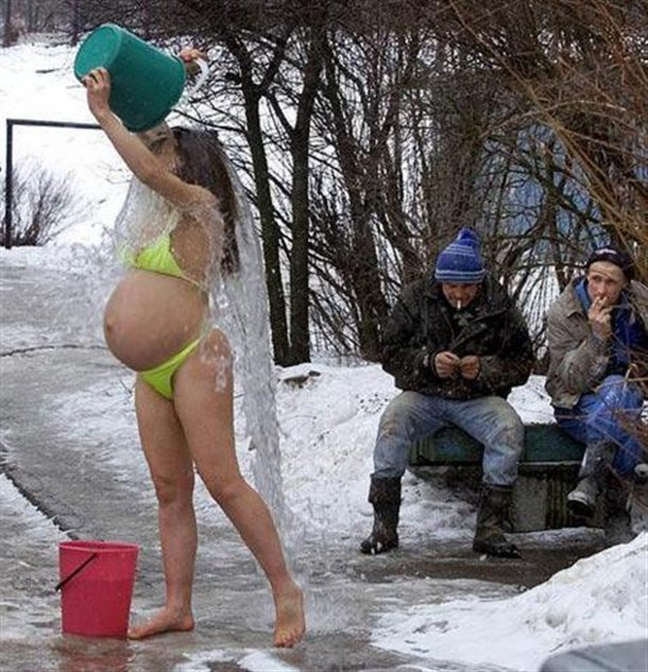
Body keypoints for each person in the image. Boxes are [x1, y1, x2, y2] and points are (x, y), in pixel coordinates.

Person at [82, 51, 305, 646]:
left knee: (222, 481)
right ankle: (178, 605)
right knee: (169, 490)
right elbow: (145, 136)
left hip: (195, 358)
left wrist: (103, 116)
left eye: (167, 149)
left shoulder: (200, 206)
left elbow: (149, 168)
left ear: (190, 165)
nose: (155, 154)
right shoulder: (156, 212)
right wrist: (169, 76)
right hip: (152, 371)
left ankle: (285, 590)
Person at [360, 228, 535, 559]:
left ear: (479, 282)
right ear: (439, 280)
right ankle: (384, 526)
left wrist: (484, 369)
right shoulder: (415, 299)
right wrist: (427, 362)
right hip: (424, 393)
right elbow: (389, 352)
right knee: (392, 423)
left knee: (508, 429)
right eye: (451, 285)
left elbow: (522, 361)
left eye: (467, 286)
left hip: (478, 397)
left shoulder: (499, 304)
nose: (459, 293)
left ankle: (490, 529)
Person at [546, 245, 648, 542]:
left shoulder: (640, 301)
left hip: (628, 399)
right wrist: (596, 339)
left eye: (611, 282)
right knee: (624, 412)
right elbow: (571, 381)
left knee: (622, 390)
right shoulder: (564, 311)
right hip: (576, 405)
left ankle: (591, 480)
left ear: (625, 284)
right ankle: (625, 514)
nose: (600, 290)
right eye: (595, 279)